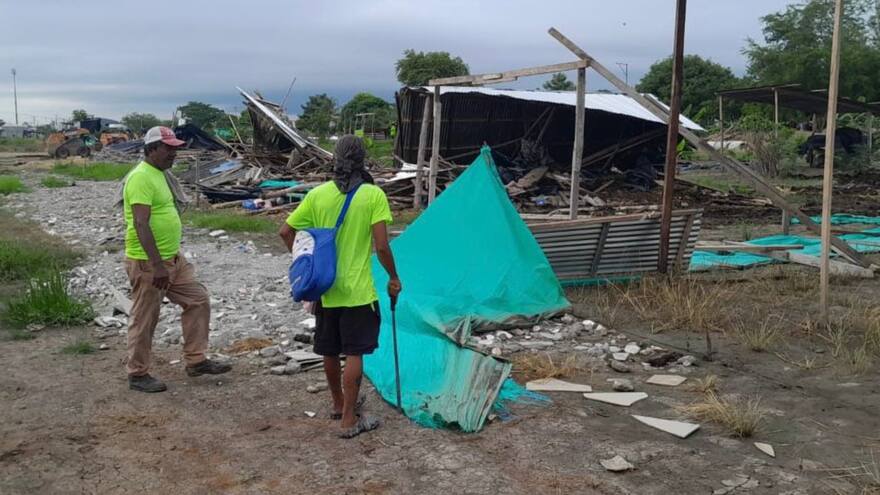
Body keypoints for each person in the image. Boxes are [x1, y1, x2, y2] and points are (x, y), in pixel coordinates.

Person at [279, 135, 401, 438]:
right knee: (355, 353)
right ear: (363, 160)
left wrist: (305, 263)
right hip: (358, 291)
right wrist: (394, 277)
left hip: (324, 288)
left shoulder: (317, 194)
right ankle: (350, 419)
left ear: (334, 158)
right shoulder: (373, 195)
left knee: (330, 350)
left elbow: (285, 231)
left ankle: (337, 404)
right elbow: (382, 247)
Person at [123, 126, 231, 393]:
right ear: (151, 149)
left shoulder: (161, 174)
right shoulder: (140, 178)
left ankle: (196, 361)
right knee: (145, 318)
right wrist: (157, 265)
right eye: (167, 148)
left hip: (173, 258)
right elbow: (140, 223)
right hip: (150, 263)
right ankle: (137, 374)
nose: (173, 153)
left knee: (197, 299)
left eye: (175, 148)